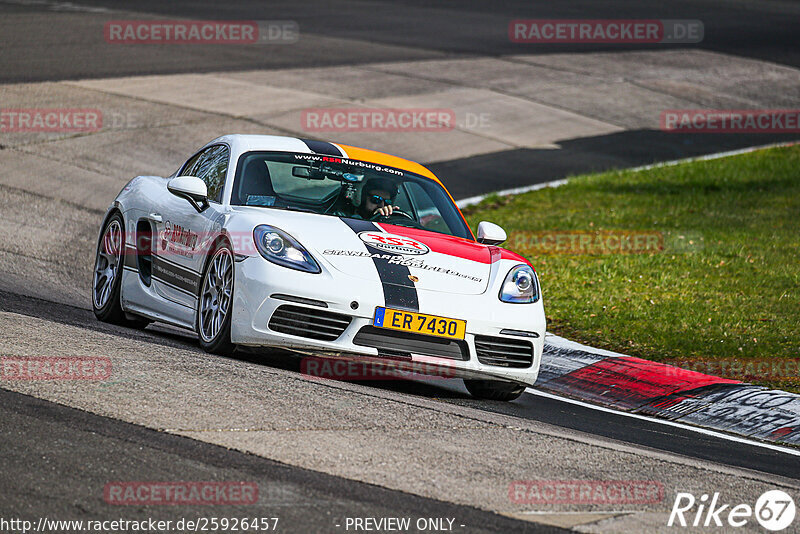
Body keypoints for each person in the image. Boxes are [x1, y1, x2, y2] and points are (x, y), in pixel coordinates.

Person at [330, 177, 401, 220]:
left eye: (386, 202)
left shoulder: (389, 219)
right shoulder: (340, 215)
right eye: (376, 199)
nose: (381, 205)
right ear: (362, 197)